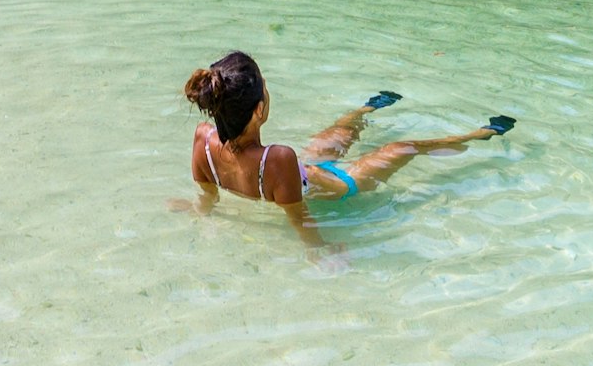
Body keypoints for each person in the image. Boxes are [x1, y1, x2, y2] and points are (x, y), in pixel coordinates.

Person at [183, 50, 510, 237]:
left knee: (340, 131)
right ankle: (480, 134)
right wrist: (319, 251)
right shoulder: (277, 158)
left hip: (302, 174)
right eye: (266, 88)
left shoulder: (203, 139)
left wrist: (198, 212)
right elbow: (301, 219)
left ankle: (369, 108)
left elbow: (208, 193)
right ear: (259, 110)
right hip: (340, 185)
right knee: (403, 147)